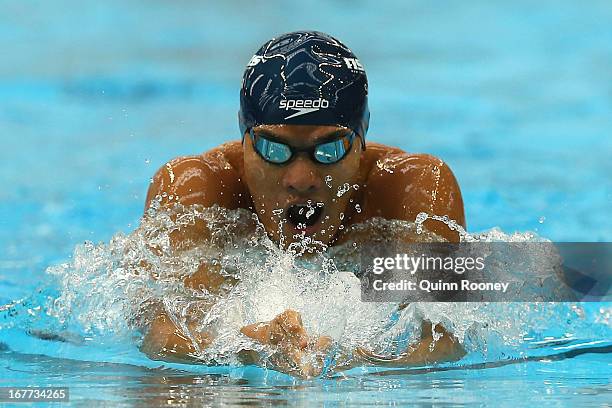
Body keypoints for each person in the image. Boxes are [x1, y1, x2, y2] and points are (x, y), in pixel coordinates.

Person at [140, 31, 466, 378]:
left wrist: (356, 361)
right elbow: (163, 336)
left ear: (362, 140)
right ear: (244, 138)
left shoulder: (410, 190)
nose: (300, 177)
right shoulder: (198, 189)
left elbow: (446, 339)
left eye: (328, 150)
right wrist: (249, 348)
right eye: (274, 150)